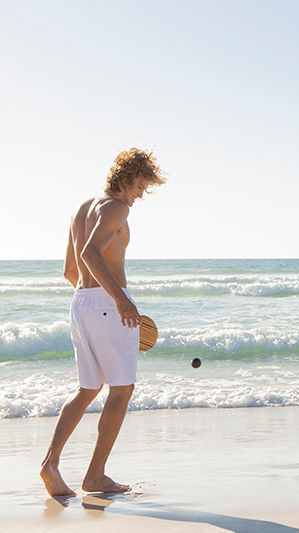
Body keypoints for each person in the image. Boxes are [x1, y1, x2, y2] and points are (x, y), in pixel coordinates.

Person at [40, 148, 166, 496]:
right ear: (128, 177)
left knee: (88, 388)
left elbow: (70, 269)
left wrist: (95, 302)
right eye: (141, 185)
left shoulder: (81, 209)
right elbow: (89, 254)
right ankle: (95, 476)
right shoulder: (117, 207)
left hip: (80, 303)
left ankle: (50, 464)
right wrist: (119, 300)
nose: (141, 194)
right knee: (122, 389)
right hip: (108, 303)